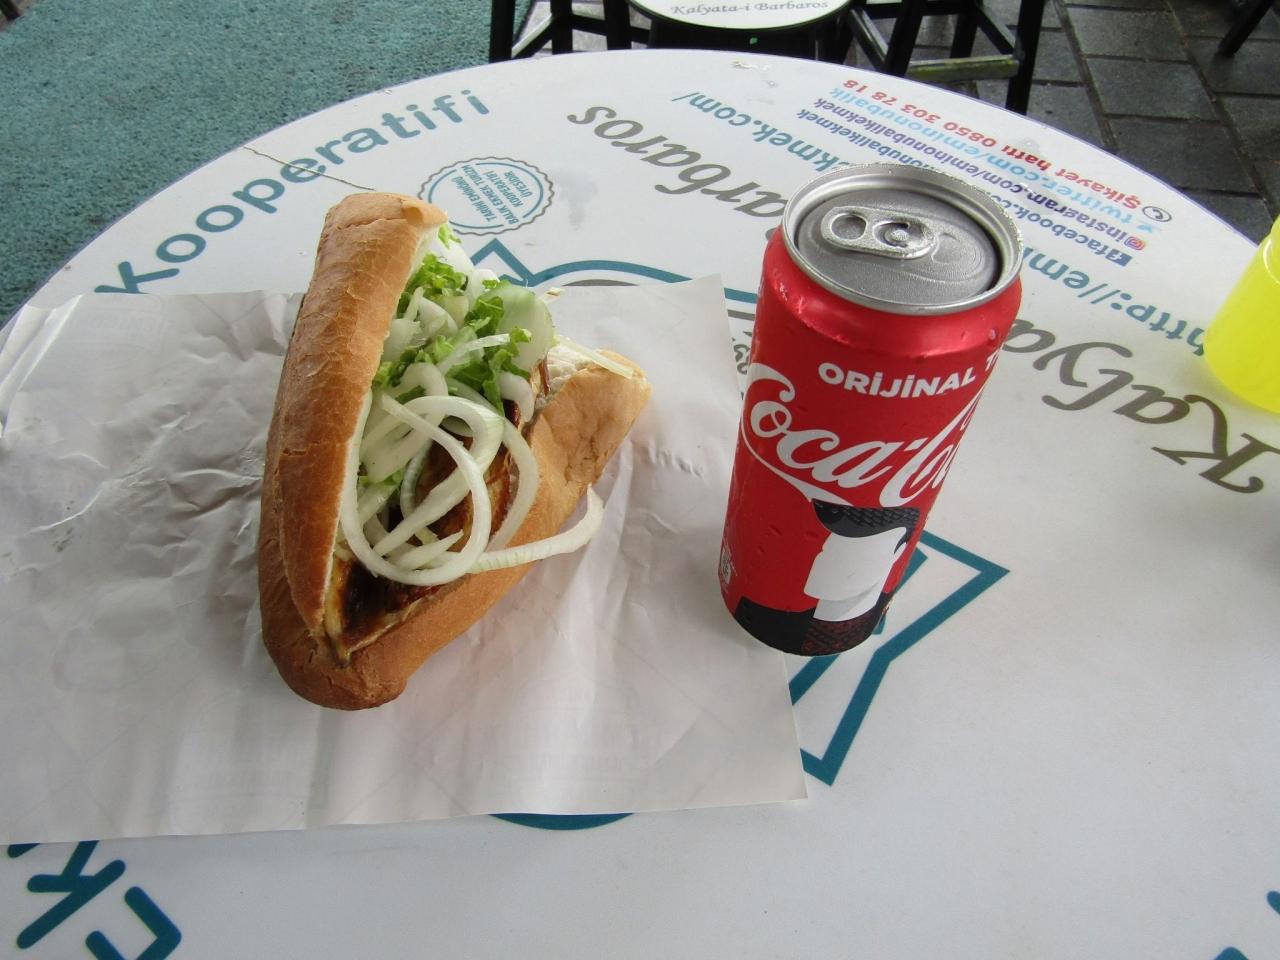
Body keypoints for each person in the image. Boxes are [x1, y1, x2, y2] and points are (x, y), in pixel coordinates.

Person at [732, 501, 919, 656]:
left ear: (898, 553)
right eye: (828, 547)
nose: (825, 557)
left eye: (851, 550)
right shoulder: (760, 615)